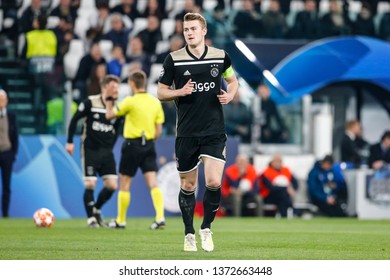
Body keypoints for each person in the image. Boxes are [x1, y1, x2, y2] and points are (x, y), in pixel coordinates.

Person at [157, 12, 239, 252]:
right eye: (186, 29)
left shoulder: (220, 57)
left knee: (213, 181)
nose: (189, 32)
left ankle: (206, 228)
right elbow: (161, 92)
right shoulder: (174, 59)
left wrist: (230, 94)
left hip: (214, 130)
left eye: (193, 28)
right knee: (189, 186)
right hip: (186, 132)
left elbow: (233, 82)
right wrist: (178, 92)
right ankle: (188, 233)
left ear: (204, 31)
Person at [105, 70, 165, 230]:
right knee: (153, 182)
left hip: (132, 145)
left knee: (125, 183)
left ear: (132, 84)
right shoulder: (155, 102)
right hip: (149, 144)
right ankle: (160, 217)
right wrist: (149, 141)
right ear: (143, 83)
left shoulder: (130, 101)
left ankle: (121, 220)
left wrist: (110, 98)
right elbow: (158, 130)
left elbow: (109, 115)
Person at [65, 75, 122, 228]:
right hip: (90, 149)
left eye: (117, 87)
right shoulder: (90, 102)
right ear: (104, 87)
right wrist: (70, 141)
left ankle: (96, 209)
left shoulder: (118, 108)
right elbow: (74, 119)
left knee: (112, 185)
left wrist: (110, 146)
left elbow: (117, 130)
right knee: (90, 183)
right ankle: (90, 218)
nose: (116, 90)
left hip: (106, 151)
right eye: (113, 87)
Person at [258, 153, 298, 218]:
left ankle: (285, 216)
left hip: (283, 196)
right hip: (269, 196)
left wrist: (292, 189)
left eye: (280, 161)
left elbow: (295, 183)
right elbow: (271, 187)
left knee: (282, 196)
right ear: (272, 162)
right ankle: (292, 209)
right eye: (276, 161)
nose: (278, 163)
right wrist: (286, 188)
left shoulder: (286, 170)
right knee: (282, 194)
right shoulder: (266, 172)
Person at [0, 90, 18, 218]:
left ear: (6, 101)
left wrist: (13, 154)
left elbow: (15, 136)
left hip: (7, 153)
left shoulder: (11, 116)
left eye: (2, 99)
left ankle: (5, 213)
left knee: (7, 186)